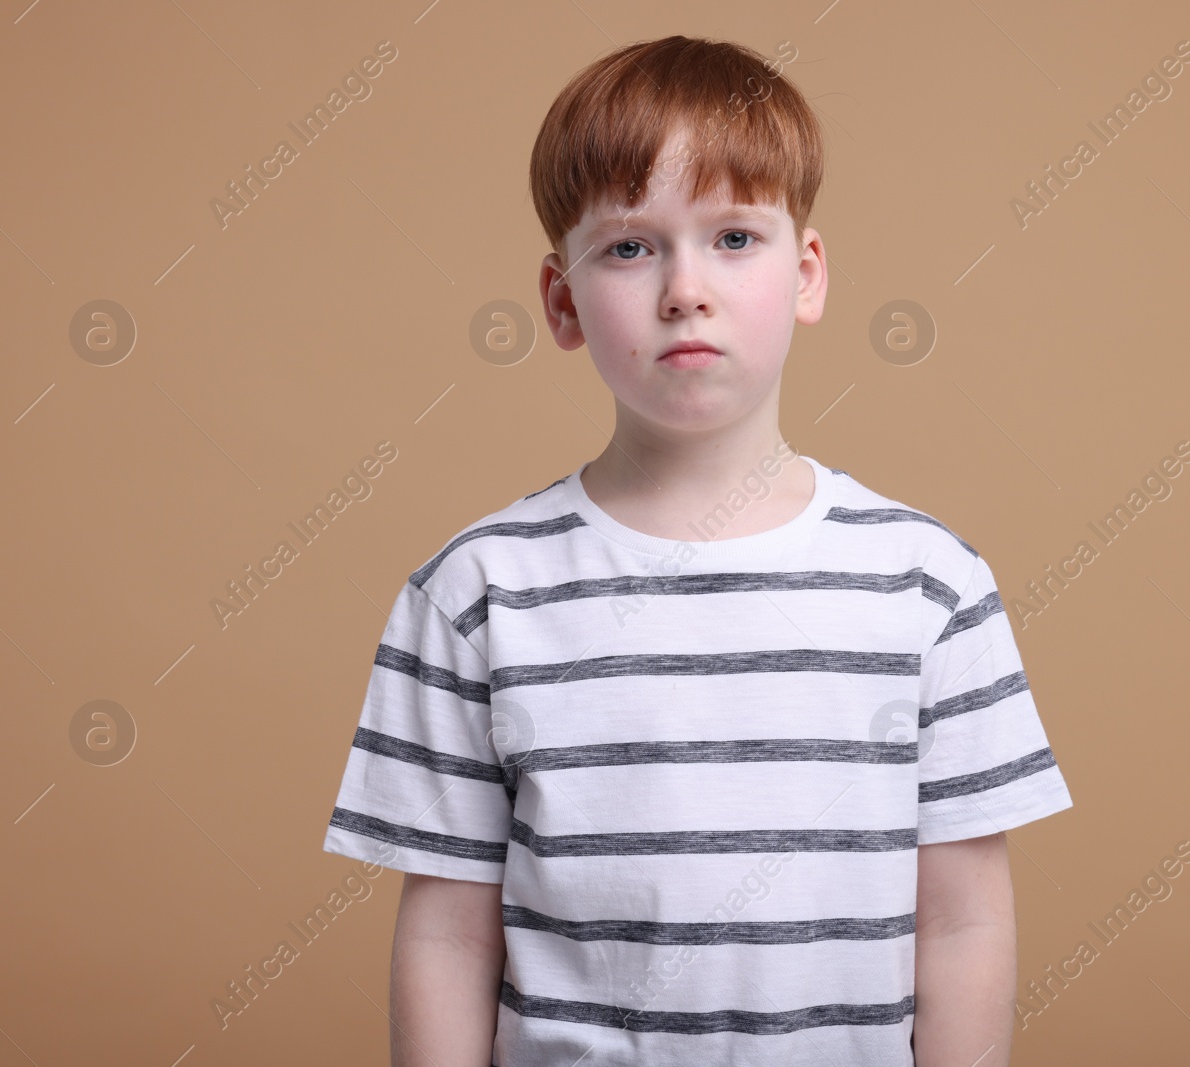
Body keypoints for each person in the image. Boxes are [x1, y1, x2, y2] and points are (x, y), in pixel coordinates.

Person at [322, 33, 1073, 1067]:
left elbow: (962, 920)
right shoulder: (478, 591)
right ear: (560, 301)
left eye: (732, 237)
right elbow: (448, 930)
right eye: (630, 247)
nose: (684, 288)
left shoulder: (929, 586)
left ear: (806, 274)